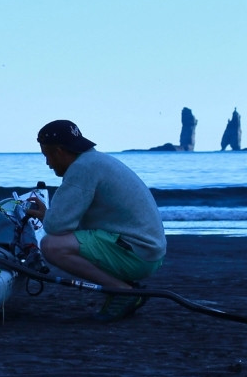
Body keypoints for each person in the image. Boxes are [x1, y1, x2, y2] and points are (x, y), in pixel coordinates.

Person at [27, 119, 166, 321]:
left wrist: (50, 217)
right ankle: (123, 288)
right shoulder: (94, 161)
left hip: (139, 255)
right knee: (63, 239)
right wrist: (48, 214)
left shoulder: (81, 169)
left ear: (58, 151)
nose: (48, 163)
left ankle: (122, 292)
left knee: (51, 245)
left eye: (46, 155)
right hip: (147, 250)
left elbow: (56, 227)